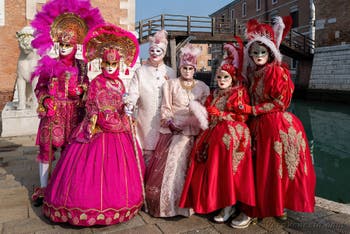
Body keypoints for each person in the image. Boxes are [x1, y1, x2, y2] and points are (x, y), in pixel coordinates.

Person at [42, 24, 145, 226]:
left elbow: (121, 104)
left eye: (113, 65)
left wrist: (126, 111)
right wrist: (100, 116)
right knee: (88, 172)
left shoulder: (120, 84)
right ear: (101, 63)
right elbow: (90, 104)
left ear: (119, 65)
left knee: (118, 173)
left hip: (118, 131)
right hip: (97, 129)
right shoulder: (97, 81)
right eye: (106, 64)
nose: (109, 68)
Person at [230, 16, 316, 228]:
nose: (258, 56)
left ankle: (273, 206)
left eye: (262, 52)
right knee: (259, 168)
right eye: (254, 52)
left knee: (274, 168)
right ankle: (266, 205)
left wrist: (253, 109)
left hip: (275, 125)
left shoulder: (277, 71)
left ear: (269, 53)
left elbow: (280, 102)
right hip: (258, 125)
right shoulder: (254, 74)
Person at [30, 0, 104, 206]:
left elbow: (88, 85)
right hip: (53, 114)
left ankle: (62, 186)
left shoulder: (82, 66)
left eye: (68, 45)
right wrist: (45, 99)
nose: (64, 48)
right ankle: (44, 187)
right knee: (47, 149)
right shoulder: (49, 65)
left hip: (74, 113)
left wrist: (81, 91)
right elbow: (39, 87)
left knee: (70, 150)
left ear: (75, 45)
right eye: (61, 44)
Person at [179, 62, 255, 223]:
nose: (221, 80)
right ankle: (211, 201)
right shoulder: (215, 94)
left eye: (225, 77)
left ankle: (229, 204)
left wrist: (221, 114)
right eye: (219, 77)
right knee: (202, 162)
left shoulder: (238, 93)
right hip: (212, 134)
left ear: (232, 78)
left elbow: (242, 117)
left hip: (231, 136)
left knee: (225, 168)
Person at [145, 44, 210, 217]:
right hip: (175, 133)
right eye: (184, 68)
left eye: (191, 68)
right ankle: (169, 206)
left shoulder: (203, 86)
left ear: (195, 69)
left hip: (196, 133)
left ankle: (192, 204)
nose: (187, 71)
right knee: (172, 168)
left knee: (193, 170)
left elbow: (206, 109)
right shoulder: (170, 84)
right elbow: (165, 108)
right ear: (180, 68)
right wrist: (171, 124)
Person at [128, 30, 176, 166]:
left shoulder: (170, 72)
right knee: (144, 157)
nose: (154, 53)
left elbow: (175, 94)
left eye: (158, 51)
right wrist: (129, 104)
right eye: (152, 50)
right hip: (145, 120)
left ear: (164, 52)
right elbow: (133, 93)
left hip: (164, 121)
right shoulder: (140, 71)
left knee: (161, 159)